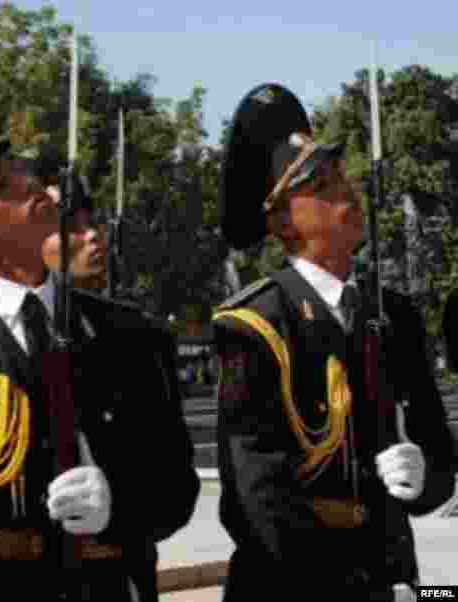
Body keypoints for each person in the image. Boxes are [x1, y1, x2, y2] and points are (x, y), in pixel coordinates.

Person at [0, 89, 199, 601]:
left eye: (16, 167)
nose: (24, 183)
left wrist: (118, 505)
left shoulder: (128, 334)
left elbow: (176, 489)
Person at [211, 83, 458, 601]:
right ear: (281, 220)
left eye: (341, 175)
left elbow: (440, 462)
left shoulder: (394, 315)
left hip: (392, 578)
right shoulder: (254, 326)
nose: (345, 191)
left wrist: (423, 477)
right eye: (321, 184)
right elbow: (257, 502)